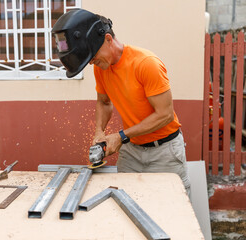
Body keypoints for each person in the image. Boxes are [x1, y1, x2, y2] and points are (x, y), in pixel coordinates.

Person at [52, 9, 190, 195]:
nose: (92, 63)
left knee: (171, 209)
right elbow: (104, 102)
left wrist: (121, 136)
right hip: (131, 149)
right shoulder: (101, 68)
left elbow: (164, 115)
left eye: (93, 57)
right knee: (127, 204)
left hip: (164, 151)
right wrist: (99, 131)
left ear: (108, 39)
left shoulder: (146, 63)